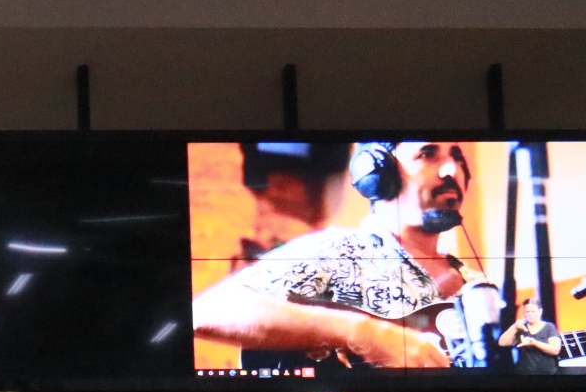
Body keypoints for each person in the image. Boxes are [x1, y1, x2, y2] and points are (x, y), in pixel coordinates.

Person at [193, 141, 478, 371]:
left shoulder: (476, 285)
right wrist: (368, 334)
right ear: (379, 174)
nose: (451, 170)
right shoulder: (338, 251)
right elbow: (210, 311)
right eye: (428, 154)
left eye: (457, 157)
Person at [499, 296, 563, 375]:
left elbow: (555, 350)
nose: (530, 314)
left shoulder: (549, 327)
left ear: (540, 312)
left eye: (533, 312)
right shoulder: (521, 328)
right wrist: (514, 327)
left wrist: (534, 343)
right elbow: (502, 343)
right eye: (527, 312)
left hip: (548, 373)